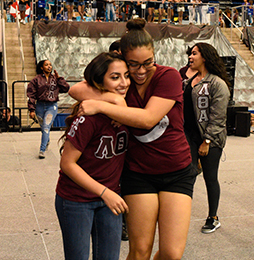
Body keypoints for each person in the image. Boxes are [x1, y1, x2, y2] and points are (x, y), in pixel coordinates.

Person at [69, 18, 195, 260]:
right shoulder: (121, 85)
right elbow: (75, 90)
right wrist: (115, 100)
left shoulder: (168, 77)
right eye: (133, 64)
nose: (140, 71)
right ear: (123, 60)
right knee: (139, 251)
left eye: (147, 63)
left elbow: (148, 119)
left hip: (177, 170)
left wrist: (101, 105)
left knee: (171, 253)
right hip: (139, 173)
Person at [56, 52, 130, 260]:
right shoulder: (89, 116)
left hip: (110, 199)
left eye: (126, 75)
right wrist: (105, 192)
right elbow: (67, 164)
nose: (124, 83)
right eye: (115, 77)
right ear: (99, 82)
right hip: (77, 200)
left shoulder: (128, 110)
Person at [183, 42, 230, 234]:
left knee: (210, 178)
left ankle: (213, 217)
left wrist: (207, 141)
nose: (190, 57)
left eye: (194, 54)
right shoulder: (188, 80)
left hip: (209, 139)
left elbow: (218, 117)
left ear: (205, 56)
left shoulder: (217, 84)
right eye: (190, 54)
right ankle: (181, 214)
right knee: (187, 177)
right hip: (188, 137)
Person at [27, 59, 71, 159]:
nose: (49, 66)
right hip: (40, 106)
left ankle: (42, 150)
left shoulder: (55, 79)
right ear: (42, 67)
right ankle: (46, 140)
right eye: (46, 65)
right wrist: (32, 109)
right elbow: (31, 94)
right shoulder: (36, 79)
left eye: (50, 65)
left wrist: (59, 78)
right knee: (44, 128)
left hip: (52, 105)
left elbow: (66, 88)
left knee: (46, 126)